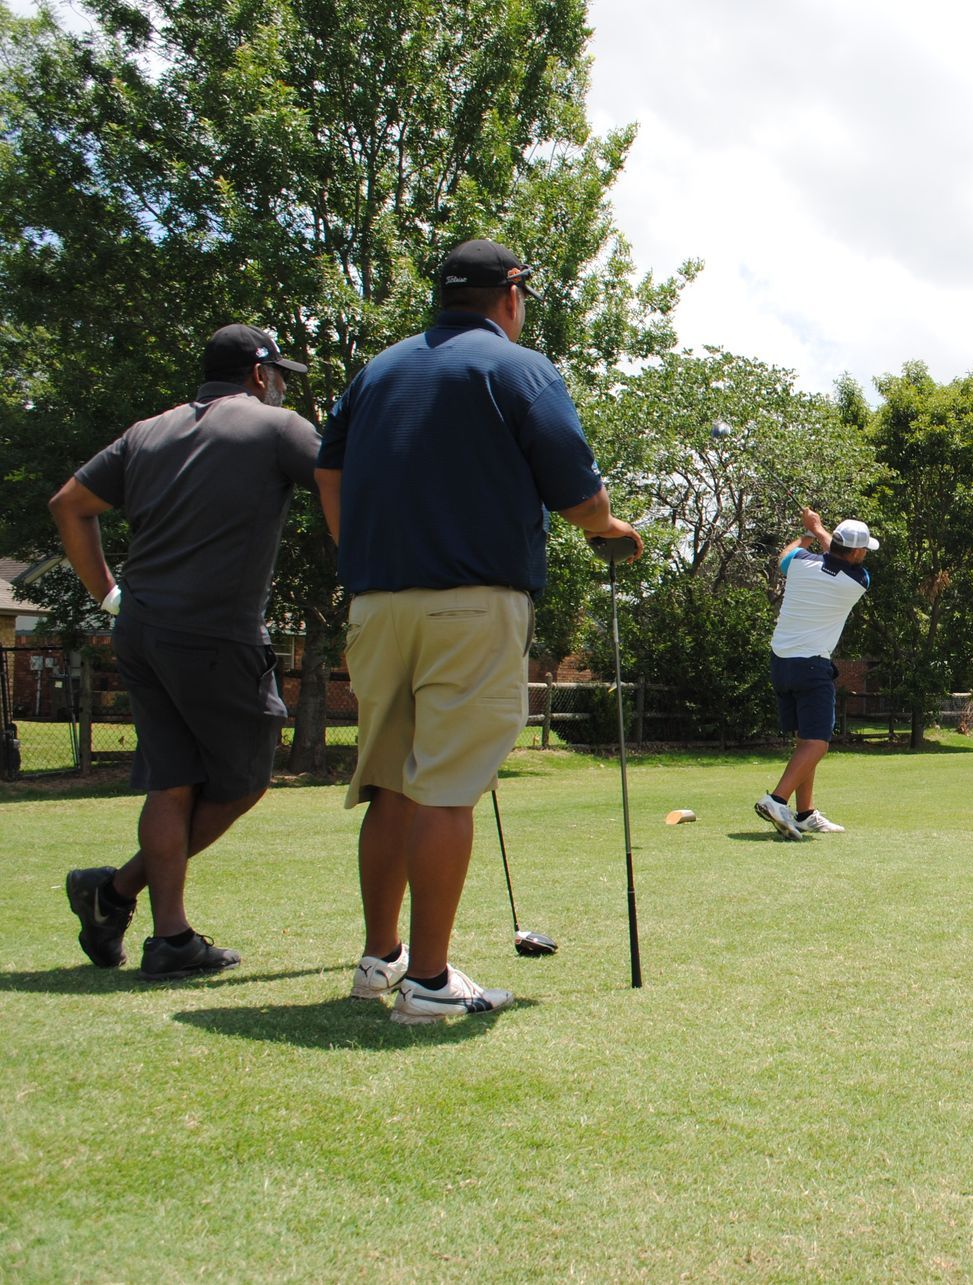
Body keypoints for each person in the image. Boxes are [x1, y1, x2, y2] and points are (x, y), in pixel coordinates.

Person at [315, 239, 639, 1024]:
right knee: (448, 788)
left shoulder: (380, 370)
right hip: (471, 603)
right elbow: (578, 493)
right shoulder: (519, 369)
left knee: (390, 781)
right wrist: (611, 528)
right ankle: (428, 983)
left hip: (374, 601)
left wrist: (358, 550)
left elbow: (329, 469)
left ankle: (381, 958)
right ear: (511, 294)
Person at [50, 325, 320, 979]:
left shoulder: (148, 433)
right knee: (248, 774)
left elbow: (69, 503)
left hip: (140, 626)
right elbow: (349, 477)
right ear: (259, 375)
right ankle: (116, 892)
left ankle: (165, 934)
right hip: (216, 632)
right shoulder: (276, 428)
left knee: (174, 780)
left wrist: (108, 594)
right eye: (279, 373)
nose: (282, 385)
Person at [755, 508, 876, 839]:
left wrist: (808, 531)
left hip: (781, 663)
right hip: (812, 666)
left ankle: (806, 813)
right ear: (854, 552)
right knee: (818, 744)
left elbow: (785, 556)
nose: (865, 555)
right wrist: (818, 527)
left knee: (804, 740)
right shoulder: (857, 580)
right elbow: (834, 556)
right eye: (864, 550)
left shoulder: (799, 563)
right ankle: (777, 800)